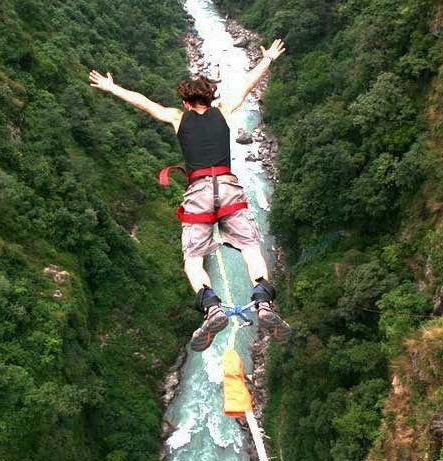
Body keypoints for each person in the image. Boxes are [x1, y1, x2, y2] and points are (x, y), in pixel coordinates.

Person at [89, 39, 291, 351]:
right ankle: (263, 302)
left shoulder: (177, 117)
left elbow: (143, 103)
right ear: (211, 98)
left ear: (185, 102)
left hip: (198, 193)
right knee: (250, 247)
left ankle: (211, 307)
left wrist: (112, 87)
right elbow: (250, 83)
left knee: (194, 261)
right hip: (228, 189)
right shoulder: (223, 110)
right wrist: (267, 59)